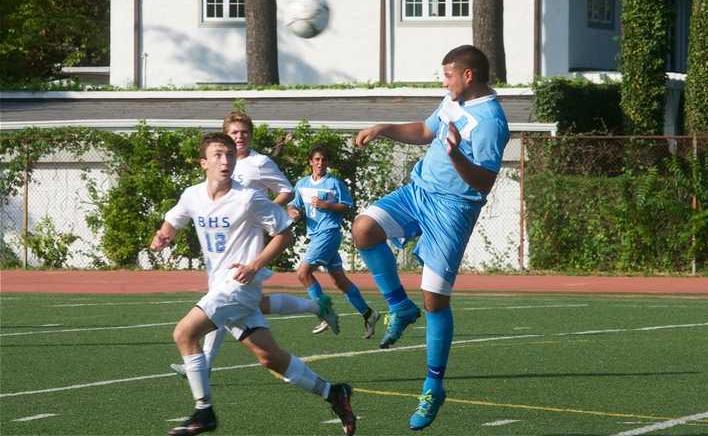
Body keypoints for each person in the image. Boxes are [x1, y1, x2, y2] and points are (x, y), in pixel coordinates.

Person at [152, 133, 356, 436]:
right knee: (269, 358)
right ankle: (333, 393)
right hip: (219, 286)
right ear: (203, 162)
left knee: (184, 332)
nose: (226, 161)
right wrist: (163, 235)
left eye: (230, 155)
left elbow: (284, 234)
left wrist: (254, 265)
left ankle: (203, 411)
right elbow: (173, 221)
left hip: (238, 287)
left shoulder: (248, 197)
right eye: (219, 155)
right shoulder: (192, 195)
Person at [352, 45, 509, 430]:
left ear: (467, 76)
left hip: (454, 209)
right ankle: (399, 307)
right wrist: (383, 128)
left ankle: (433, 385)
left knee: (435, 300)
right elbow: (426, 131)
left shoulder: (490, 121)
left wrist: (456, 156)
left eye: (447, 75)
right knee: (363, 229)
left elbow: (485, 181)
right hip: (418, 192)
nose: (443, 82)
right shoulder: (452, 101)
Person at [170, 112, 335, 378]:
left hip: (249, 239)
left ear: (251, 135)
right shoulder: (219, 161)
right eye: (234, 132)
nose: (239, 137)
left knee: (223, 297)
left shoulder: (260, 162)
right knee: (249, 303)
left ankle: (206, 366)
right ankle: (316, 307)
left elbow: (286, 190)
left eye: (244, 132)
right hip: (225, 241)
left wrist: (267, 214)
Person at [288, 145, 380, 338]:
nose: (320, 163)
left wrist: (327, 205)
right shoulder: (302, 184)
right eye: (317, 159)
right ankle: (369, 314)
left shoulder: (334, 183)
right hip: (316, 235)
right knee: (339, 280)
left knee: (303, 273)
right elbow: (293, 205)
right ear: (310, 162)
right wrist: (294, 213)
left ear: (327, 163)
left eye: (324, 160)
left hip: (328, 233)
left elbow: (347, 206)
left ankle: (325, 312)